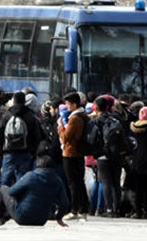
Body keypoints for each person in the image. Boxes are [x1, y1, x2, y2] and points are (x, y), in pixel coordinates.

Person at [0, 154, 69, 226]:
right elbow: (64, 203)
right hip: (41, 220)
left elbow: (12, 192)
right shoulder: (57, 180)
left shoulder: (30, 176)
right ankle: (6, 215)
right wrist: (58, 217)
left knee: (3, 189)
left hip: (22, 217)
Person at [0, 91, 42, 187]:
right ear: (24, 101)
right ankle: (20, 201)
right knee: (22, 179)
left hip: (8, 152)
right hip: (25, 152)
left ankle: (3, 199)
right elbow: (37, 136)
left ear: (14, 101)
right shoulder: (30, 116)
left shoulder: (7, 115)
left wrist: (2, 150)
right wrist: (33, 152)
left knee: (5, 179)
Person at [92, 96, 125, 218]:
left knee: (106, 182)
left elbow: (92, 138)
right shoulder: (116, 119)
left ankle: (109, 209)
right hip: (116, 155)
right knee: (116, 182)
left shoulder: (96, 121)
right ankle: (118, 209)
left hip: (102, 155)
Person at [58, 91, 89, 221]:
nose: (66, 106)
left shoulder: (75, 118)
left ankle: (74, 209)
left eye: (68, 103)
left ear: (74, 104)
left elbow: (65, 138)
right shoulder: (83, 116)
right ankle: (83, 208)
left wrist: (60, 126)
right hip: (79, 152)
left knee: (73, 183)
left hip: (70, 153)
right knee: (79, 181)